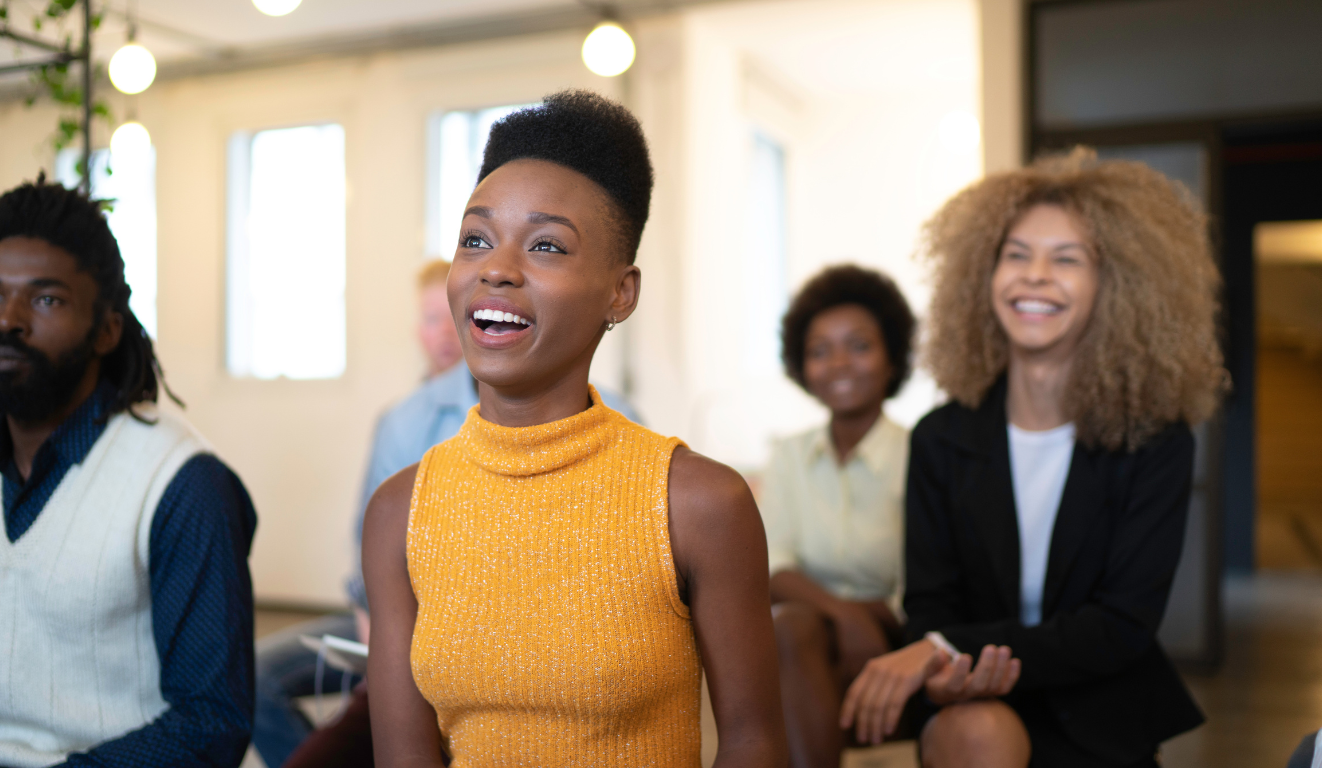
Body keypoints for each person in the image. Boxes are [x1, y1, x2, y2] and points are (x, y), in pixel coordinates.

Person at [363, 90, 787, 767]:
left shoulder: (699, 505)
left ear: (621, 292)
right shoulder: (399, 513)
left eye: (546, 246)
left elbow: (753, 743)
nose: (496, 268)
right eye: (475, 239)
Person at [839, 148, 1223, 767]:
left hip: (1099, 712)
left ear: (1116, 286)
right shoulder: (941, 437)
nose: (1035, 275)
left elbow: (1122, 624)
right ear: (983, 277)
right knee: (974, 734)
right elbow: (931, 602)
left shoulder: (1156, 440)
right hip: (973, 704)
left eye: (1067, 259)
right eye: (1016, 255)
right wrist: (943, 660)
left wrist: (942, 645)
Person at [252, 259, 639, 768]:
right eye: (431, 318)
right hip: (404, 626)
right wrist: (387, 663)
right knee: (258, 678)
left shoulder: (615, 421)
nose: (444, 332)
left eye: (450, 316)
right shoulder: (403, 422)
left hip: (528, 636)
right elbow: (372, 570)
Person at [0, 178, 257, 768]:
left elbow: (213, 720)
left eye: (46, 299)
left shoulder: (181, 484)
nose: (7, 320)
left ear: (107, 329)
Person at [763, 265, 916, 768]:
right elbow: (772, 564)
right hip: (809, 637)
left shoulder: (924, 455)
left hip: (902, 637)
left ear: (892, 358)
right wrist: (844, 614)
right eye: (819, 350)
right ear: (802, 367)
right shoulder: (788, 455)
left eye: (859, 345)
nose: (839, 364)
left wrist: (868, 619)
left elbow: (923, 584)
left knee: (792, 631)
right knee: (790, 625)